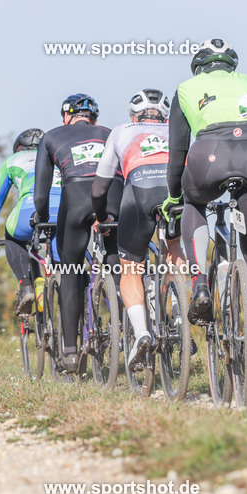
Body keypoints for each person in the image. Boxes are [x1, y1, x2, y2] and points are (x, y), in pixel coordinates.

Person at [161, 38, 247, 391]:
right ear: (231, 65)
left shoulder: (186, 88)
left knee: (194, 203)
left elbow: (177, 153)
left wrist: (174, 197)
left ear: (199, 67)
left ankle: (200, 283)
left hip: (210, 151)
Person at [92, 88, 185, 373]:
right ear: (165, 115)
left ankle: (142, 333)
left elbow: (100, 186)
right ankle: (179, 311)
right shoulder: (177, 129)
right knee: (174, 247)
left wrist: (101, 216)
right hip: (175, 193)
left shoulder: (120, 131)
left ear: (134, 115)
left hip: (138, 194)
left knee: (130, 268)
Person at [33, 94, 121, 373]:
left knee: (70, 269)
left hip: (75, 200)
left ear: (66, 117)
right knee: (116, 259)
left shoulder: (51, 137)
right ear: (94, 119)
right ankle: (128, 330)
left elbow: (41, 194)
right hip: (112, 197)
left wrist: (41, 217)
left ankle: (70, 353)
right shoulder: (110, 133)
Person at [0, 128, 60, 314]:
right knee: (66, 265)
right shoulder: (58, 156)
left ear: (18, 148)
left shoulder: (12, 161)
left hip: (30, 212)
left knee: (13, 237)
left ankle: (25, 286)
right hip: (65, 211)